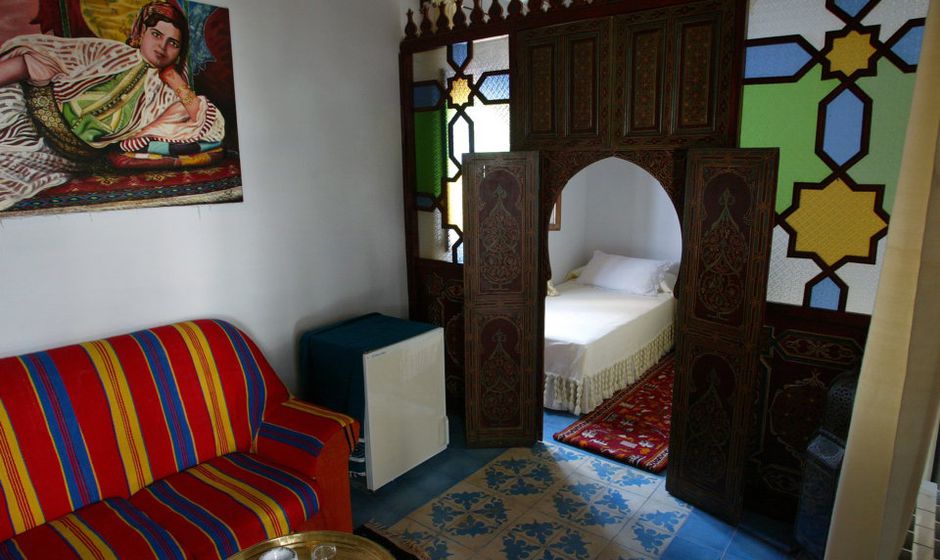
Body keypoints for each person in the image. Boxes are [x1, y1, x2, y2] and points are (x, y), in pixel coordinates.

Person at [0, 1, 225, 211]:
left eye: (173, 43)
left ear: (179, 52)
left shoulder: (166, 95)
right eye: (156, 34)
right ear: (141, 33)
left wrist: (175, 81)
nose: (162, 47)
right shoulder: (112, 53)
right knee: (32, 65)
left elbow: (203, 118)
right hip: (29, 110)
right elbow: (53, 57)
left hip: (61, 154)